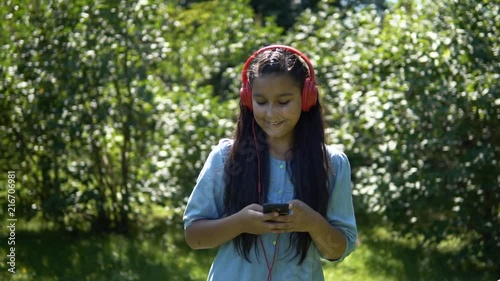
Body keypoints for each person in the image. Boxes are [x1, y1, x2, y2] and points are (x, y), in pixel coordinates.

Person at [183, 45, 357, 281]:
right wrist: (241, 222)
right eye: (261, 102)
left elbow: (336, 250)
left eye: (283, 102)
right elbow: (194, 237)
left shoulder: (333, 164)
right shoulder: (226, 157)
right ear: (247, 99)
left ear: (306, 98)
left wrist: (312, 222)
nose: (271, 113)